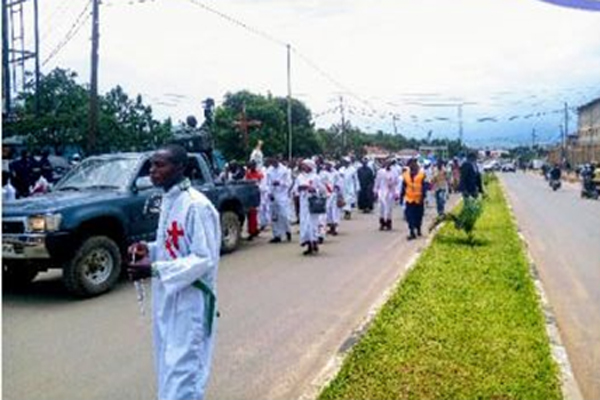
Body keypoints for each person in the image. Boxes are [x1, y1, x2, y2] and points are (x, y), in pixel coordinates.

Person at [127, 144, 221, 400]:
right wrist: (149, 249)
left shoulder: (196, 206)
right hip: (169, 299)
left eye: (160, 165)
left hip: (191, 302)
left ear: (180, 168)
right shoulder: (170, 200)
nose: (153, 171)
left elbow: (204, 258)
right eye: (152, 165)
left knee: (184, 374)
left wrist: (155, 268)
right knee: (168, 365)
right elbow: (174, 246)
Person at [294, 159, 324, 255]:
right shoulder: (300, 177)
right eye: (303, 165)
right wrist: (300, 189)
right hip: (303, 203)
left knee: (312, 224)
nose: (303, 167)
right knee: (304, 224)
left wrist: (314, 190)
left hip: (312, 203)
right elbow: (295, 189)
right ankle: (308, 244)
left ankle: (314, 242)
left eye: (305, 165)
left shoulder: (315, 177)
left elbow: (322, 190)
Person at [266, 157, 292, 243]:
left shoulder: (285, 170)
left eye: (274, 161)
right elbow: (267, 183)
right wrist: (269, 193)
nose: (273, 163)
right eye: (271, 161)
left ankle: (287, 231)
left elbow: (289, 183)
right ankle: (277, 235)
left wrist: (280, 183)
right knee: (274, 216)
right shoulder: (269, 170)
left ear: (278, 160)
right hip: (273, 195)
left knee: (284, 215)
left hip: (282, 195)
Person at [400, 158, 427, 240]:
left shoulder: (422, 174)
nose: (412, 166)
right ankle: (412, 231)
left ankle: (418, 229)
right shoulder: (405, 175)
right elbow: (403, 187)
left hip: (419, 199)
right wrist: (402, 197)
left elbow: (424, 186)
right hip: (409, 199)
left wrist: (423, 196)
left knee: (418, 216)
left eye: (414, 164)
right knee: (409, 216)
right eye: (411, 164)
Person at [374, 159, 400, 231]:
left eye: (389, 163)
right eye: (386, 163)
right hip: (382, 193)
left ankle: (388, 223)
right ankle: (382, 223)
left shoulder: (395, 172)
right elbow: (377, 182)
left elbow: (397, 183)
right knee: (381, 209)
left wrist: (397, 193)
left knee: (389, 209)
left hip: (390, 193)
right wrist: (375, 191)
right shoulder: (380, 172)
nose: (388, 165)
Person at [244, 160, 264, 241]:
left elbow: (262, 184)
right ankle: (252, 231)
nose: (251, 167)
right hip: (250, 196)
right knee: (251, 214)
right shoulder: (247, 174)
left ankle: (255, 230)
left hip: (258, 194)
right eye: (250, 165)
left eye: (253, 165)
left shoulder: (259, 174)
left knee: (256, 214)